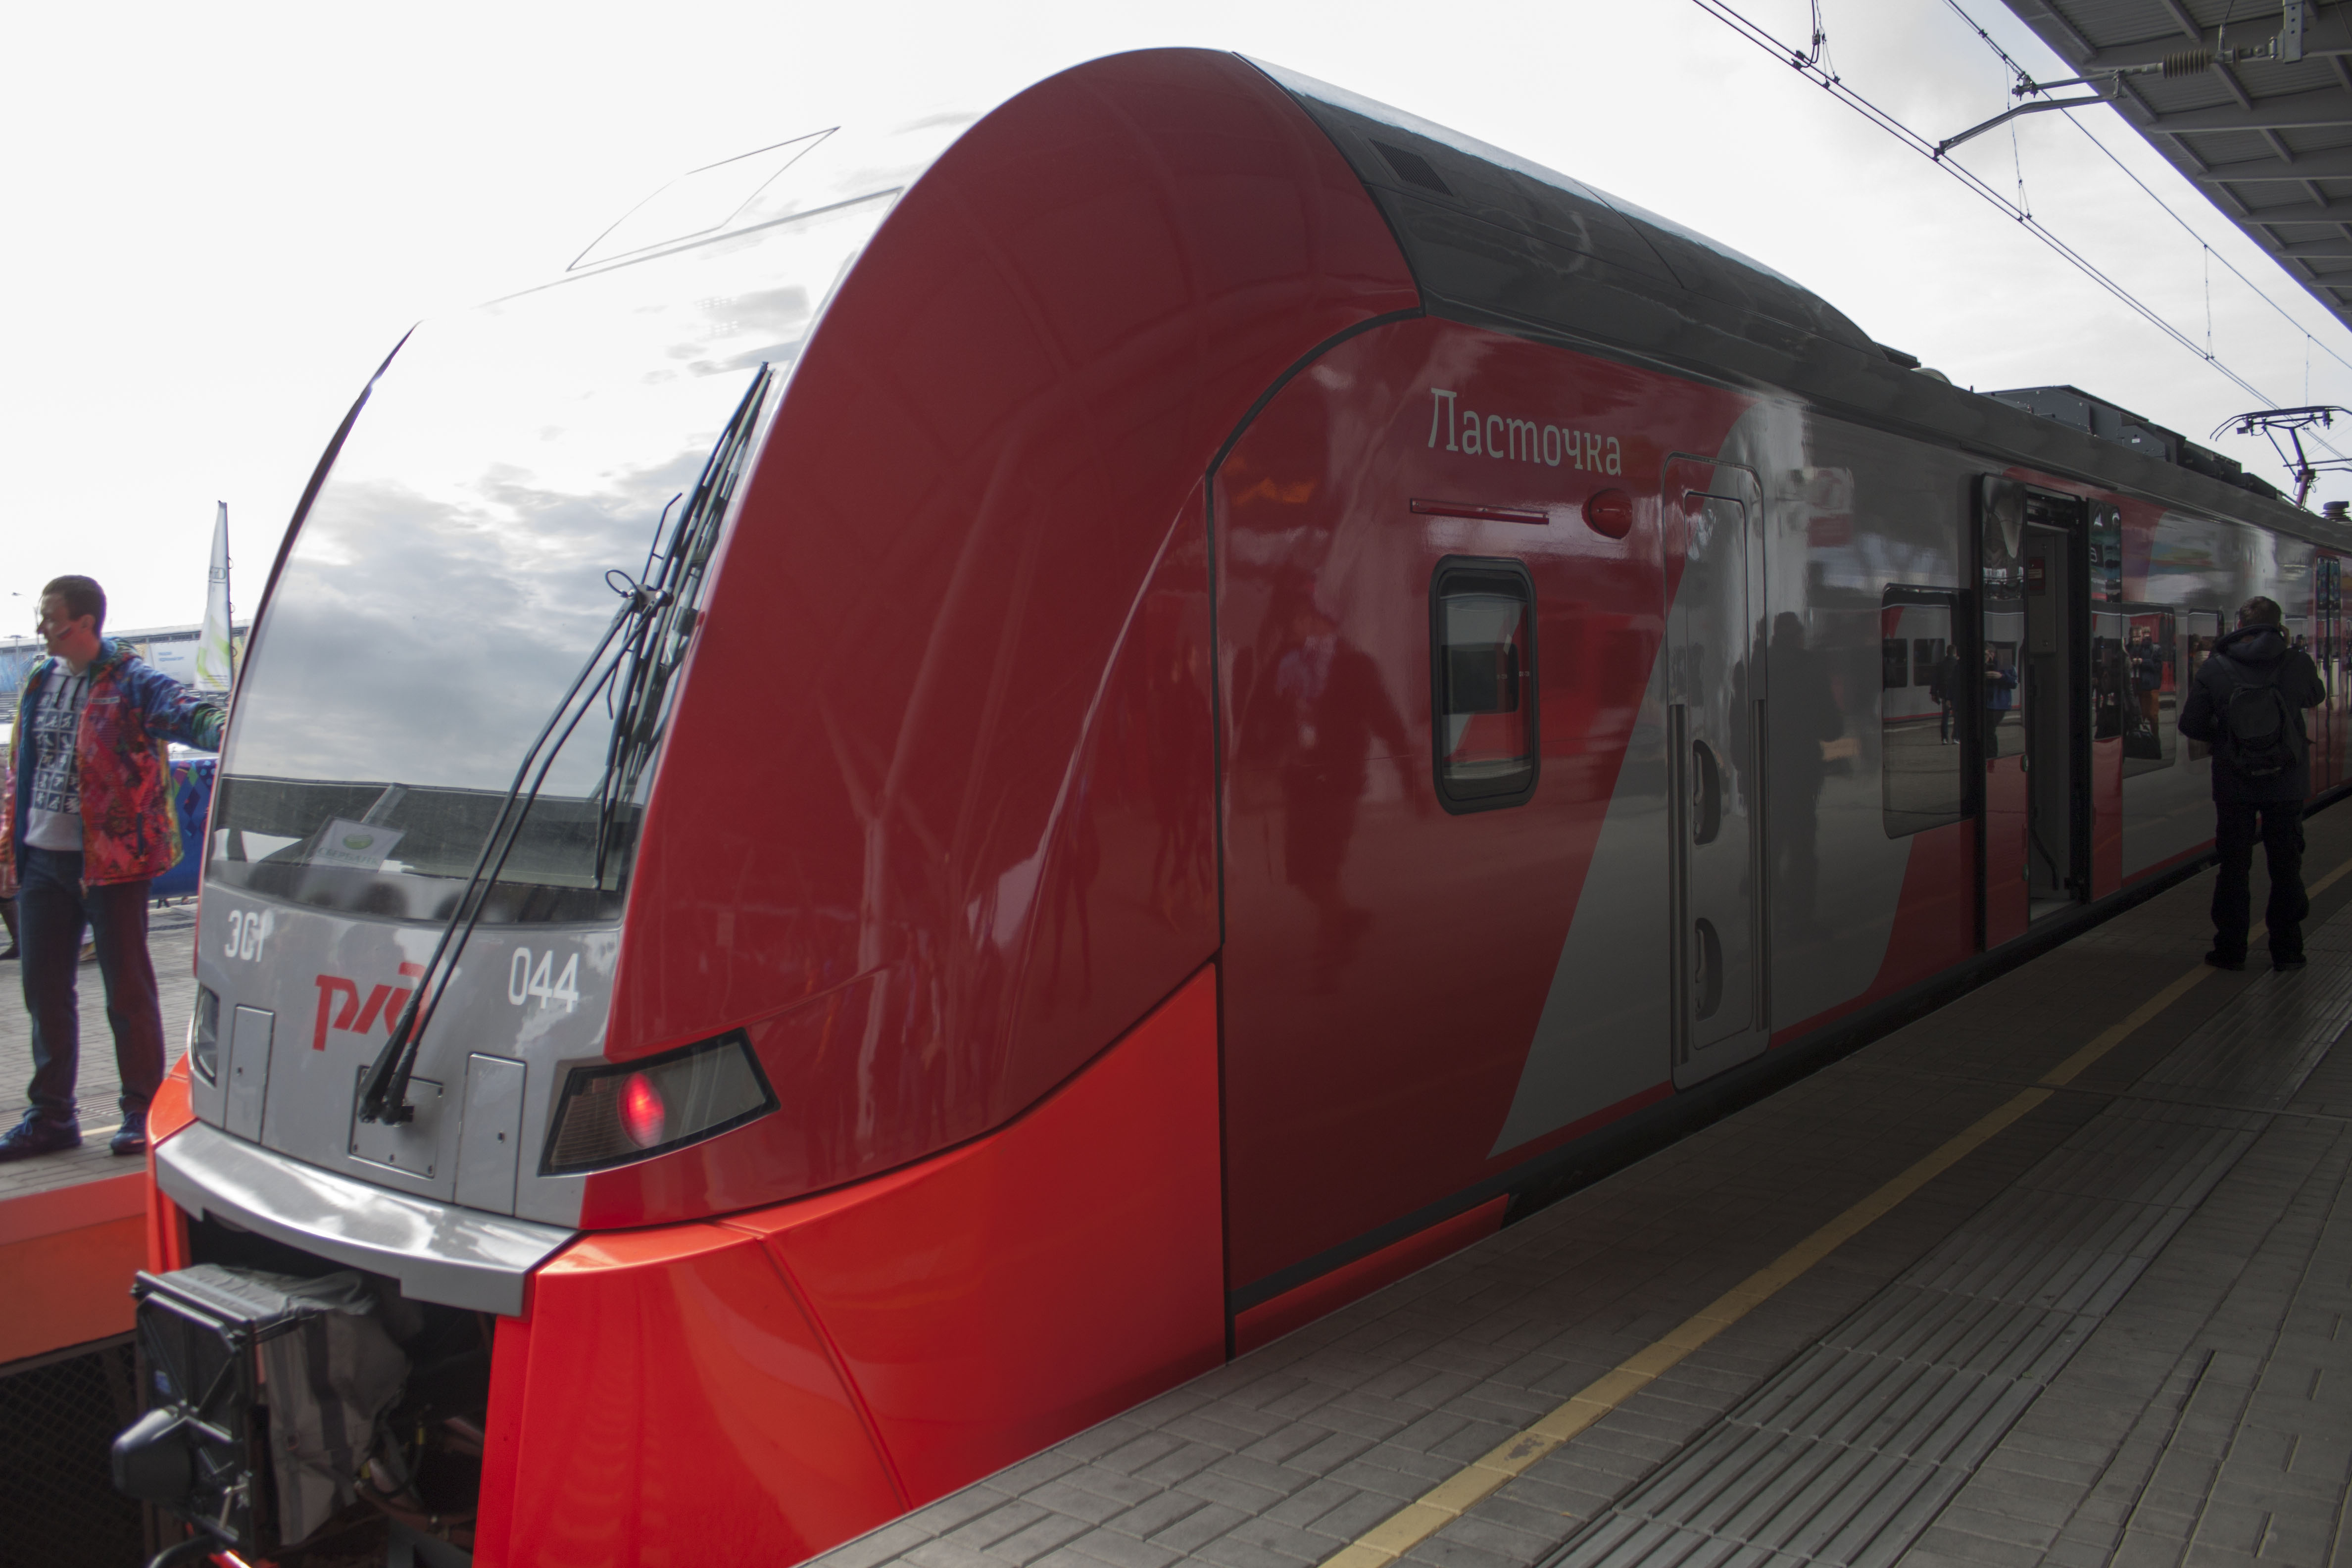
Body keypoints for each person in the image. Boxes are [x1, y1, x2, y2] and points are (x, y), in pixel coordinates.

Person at [0, 577, 225, 1160]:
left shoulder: (132, 681)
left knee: (127, 991)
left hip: (113, 864)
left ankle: (141, 1110)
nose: (42, 628)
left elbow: (191, 715)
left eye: (51, 618)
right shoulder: (38, 679)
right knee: (44, 992)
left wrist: (237, 732)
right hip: (43, 860)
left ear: (85, 623)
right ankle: (51, 1117)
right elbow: (24, 766)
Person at [2178, 595, 2326, 971]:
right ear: (2279, 626)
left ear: (2239, 626)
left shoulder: (2215, 667)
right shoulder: (2298, 662)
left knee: (2233, 868)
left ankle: (2230, 951)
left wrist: (2230, 735)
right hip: (2286, 782)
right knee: (2286, 868)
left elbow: (2191, 724)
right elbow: (2316, 696)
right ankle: (2288, 952)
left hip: (2235, 784)